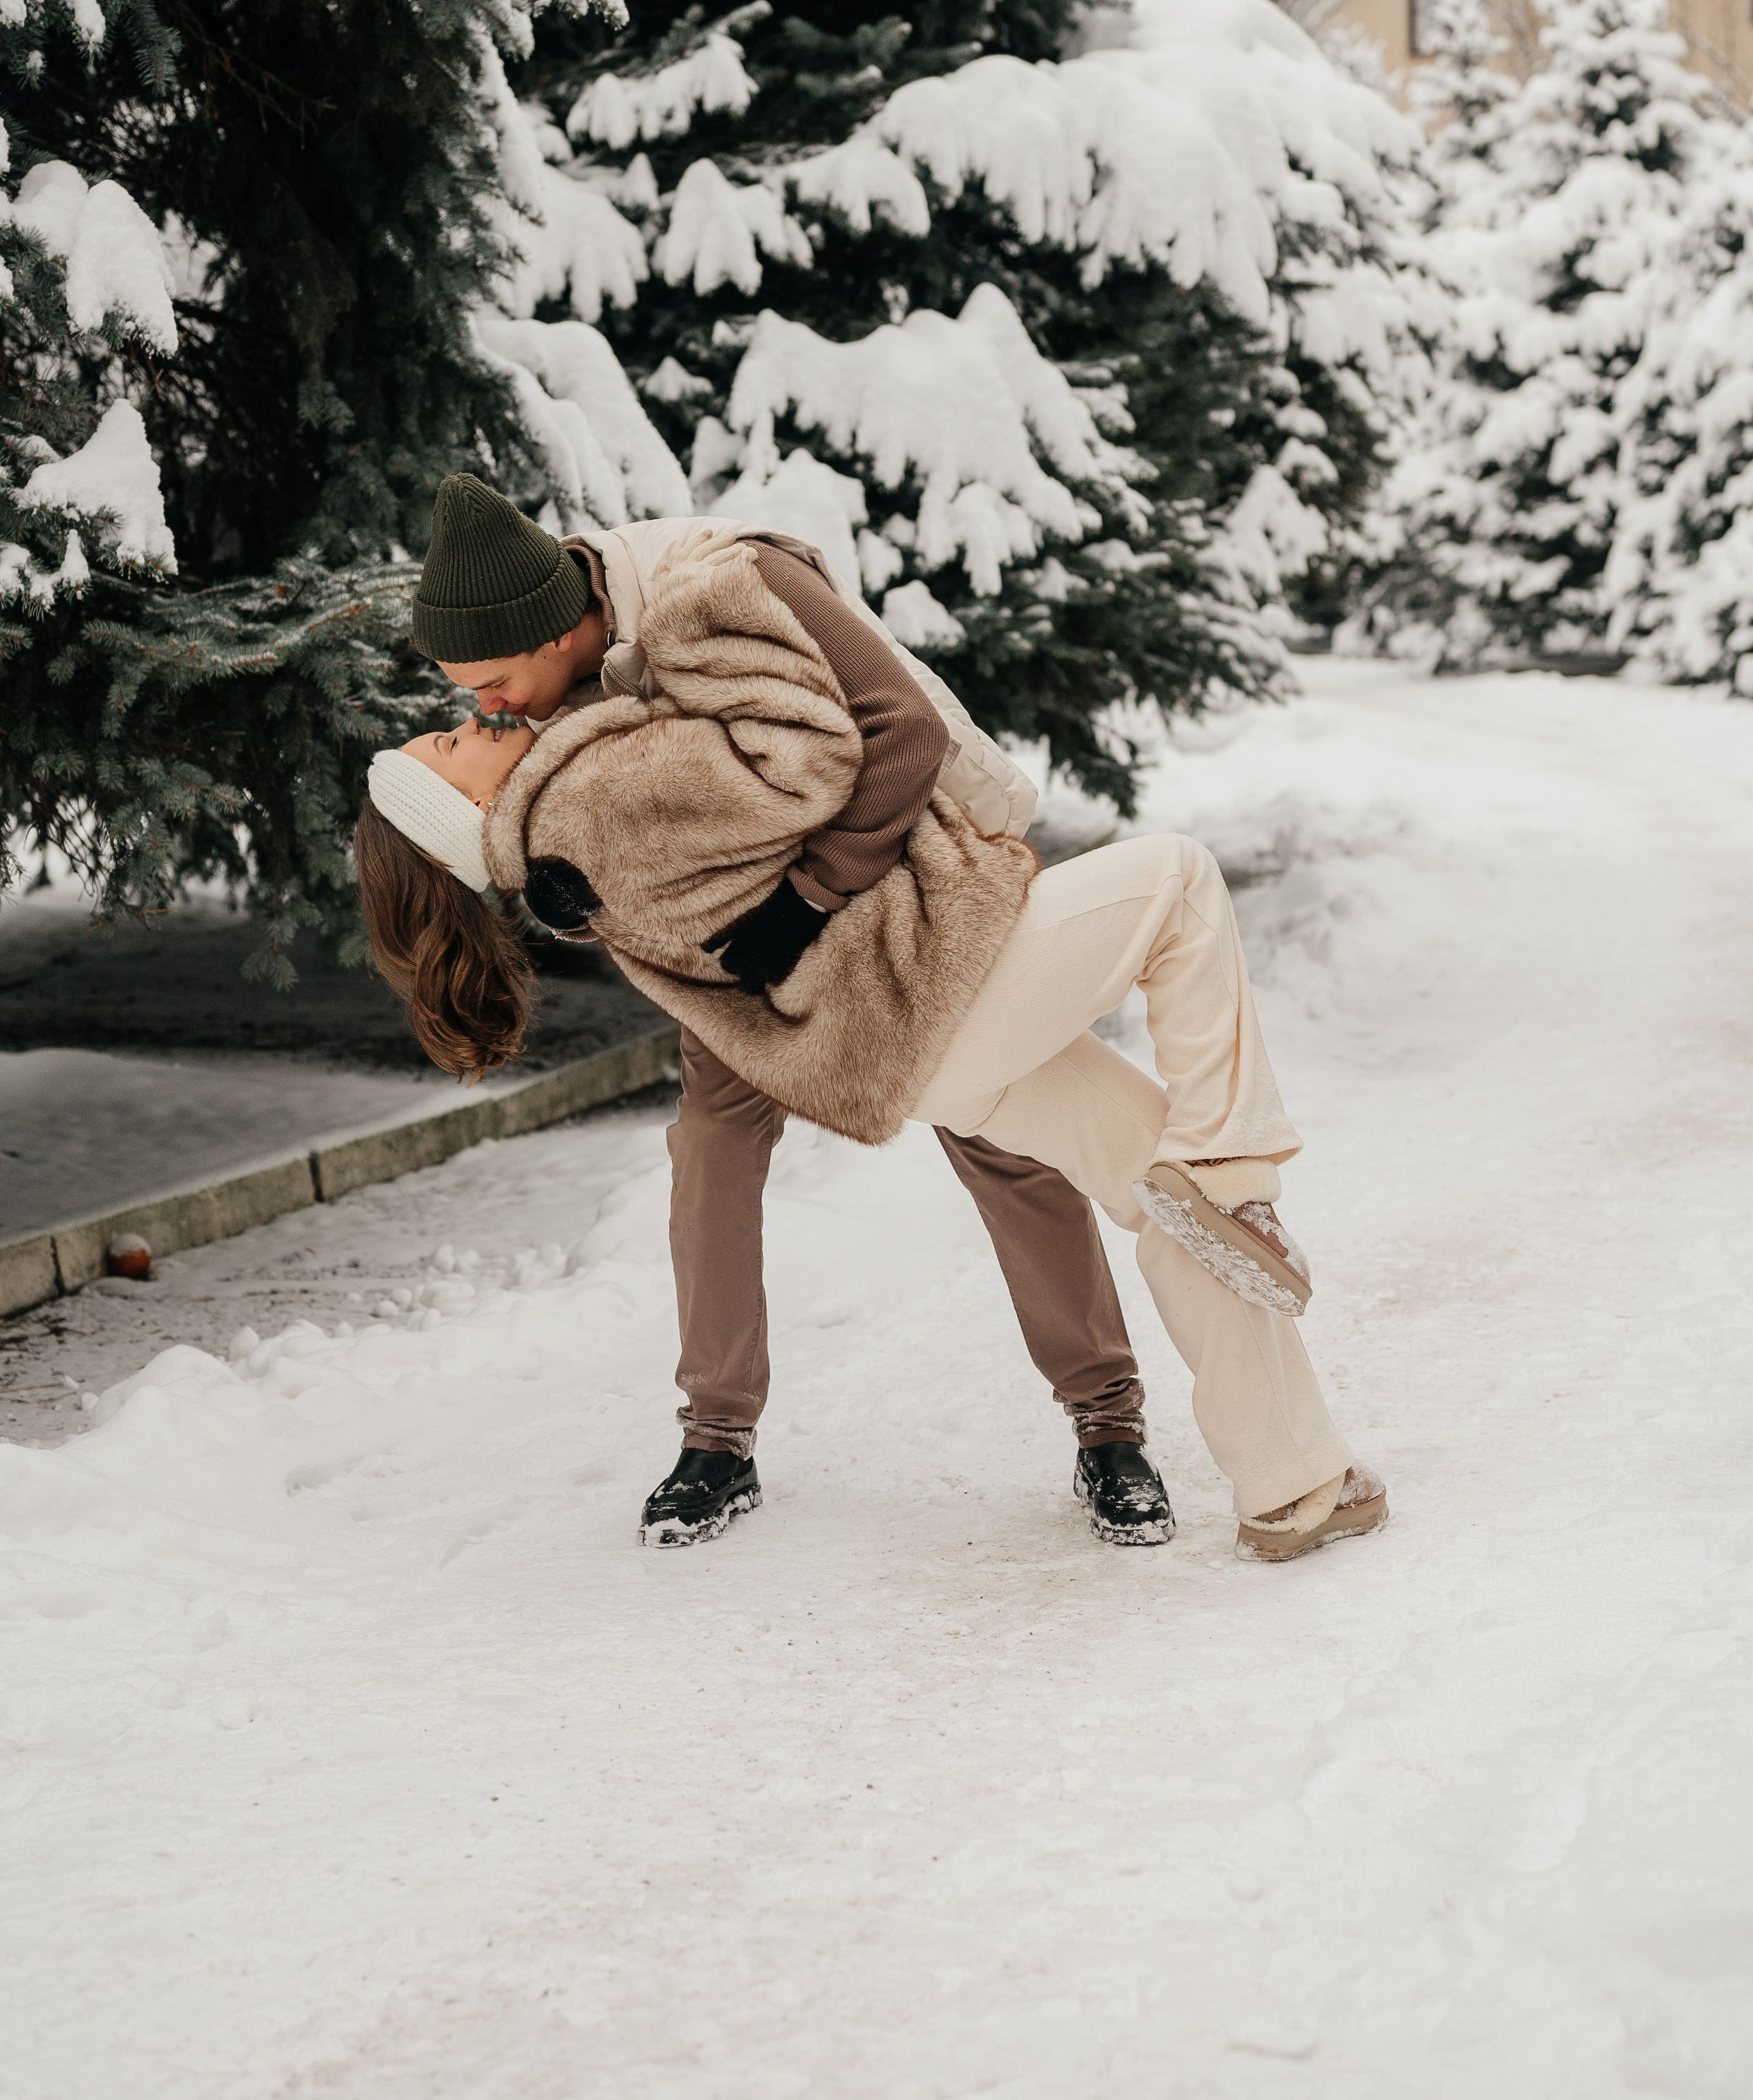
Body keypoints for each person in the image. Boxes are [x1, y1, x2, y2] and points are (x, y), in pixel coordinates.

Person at [354, 474, 1385, 1564]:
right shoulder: (568, 731)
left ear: (562, 628)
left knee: (1158, 1194)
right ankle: (1232, 1170)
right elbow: (700, 821)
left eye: (492, 686)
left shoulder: (724, 582)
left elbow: (893, 740)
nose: (487, 711)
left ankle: (1293, 1485)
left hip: (901, 912)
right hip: (923, 972)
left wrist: (784, 908)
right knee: (1178, 882)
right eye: (465, 718)